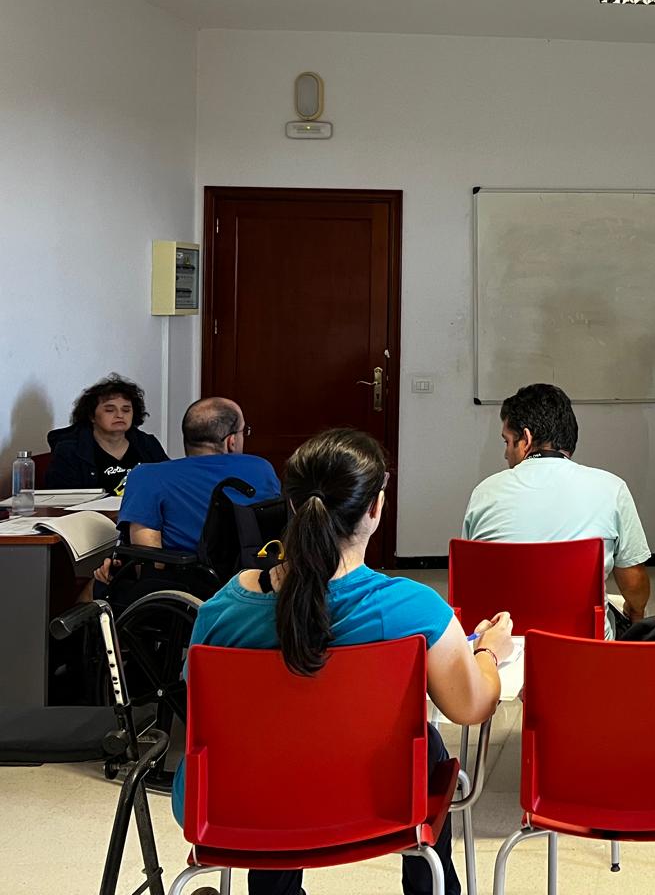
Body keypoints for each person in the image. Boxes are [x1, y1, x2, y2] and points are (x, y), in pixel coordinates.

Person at [174, 428, 513, 895]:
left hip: (238, 809)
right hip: (379, 807)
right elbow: (472, 708)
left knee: (273, 749)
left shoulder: (220, 611)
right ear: (374, 508)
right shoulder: (415, 609)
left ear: (292, 506)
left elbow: (201, 717)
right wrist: (490, 650)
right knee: (428, 743)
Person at [463, 382, 651, 634]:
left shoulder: (484, 492)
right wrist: (636, 614)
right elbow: (634, 582)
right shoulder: (611, 488)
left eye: (507, 442)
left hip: (504, 645)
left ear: (526, 439)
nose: (506, 454)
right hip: (584, 648)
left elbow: (470, 583)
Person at [94, 396, 280, 595]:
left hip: (187, 592)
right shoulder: (262, 468)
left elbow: (146, 564)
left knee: (95, 587)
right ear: (231, 441)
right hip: (256, 585)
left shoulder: (148, 476)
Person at [44, 373, 169, 492]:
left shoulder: (147, 444)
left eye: (126, 410)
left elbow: (171, 482)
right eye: (110, 410)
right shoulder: (70, 451)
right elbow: (62, 500)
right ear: (92, 416)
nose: (120, 415)